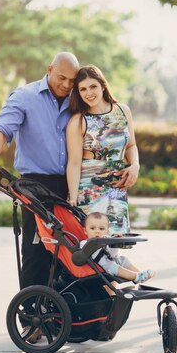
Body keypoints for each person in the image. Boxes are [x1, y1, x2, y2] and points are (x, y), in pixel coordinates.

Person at [0, 52, 79, 292]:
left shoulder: (79, 98)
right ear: (49, 69)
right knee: (37, 252)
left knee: (72, 252)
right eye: (62, 78)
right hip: (36, 187)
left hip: (73, 185)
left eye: (72, 80)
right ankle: (32, 319)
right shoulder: (24, 97)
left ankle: (63, 319)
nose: (66, 85)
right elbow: (1, 130)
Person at [66, 64, 140, 235]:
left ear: (103, 85)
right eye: (83, 89)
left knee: (114, 243)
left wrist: (135, 165)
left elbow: (131, 145)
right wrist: (73, 198)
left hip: (117, 190)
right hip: (90, 191)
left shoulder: (123, 111)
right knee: (93, 248)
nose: (88, 93)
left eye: (93, 86)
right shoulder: (79, 121)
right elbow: (74, 163)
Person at [80, 212, 155, 283]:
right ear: (85, 231)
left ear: (107, 231)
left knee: (123, 259)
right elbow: (91, 250)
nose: (97, 231)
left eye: (101, 229)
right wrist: (102, 242)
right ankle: (136, 277)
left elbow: (112, 254)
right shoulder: (84, 243)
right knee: (113, 266)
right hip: (103, 267)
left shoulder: (106, 239)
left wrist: (114, 242)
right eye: (92, 228)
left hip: (111, 261)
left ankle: (140, 274)